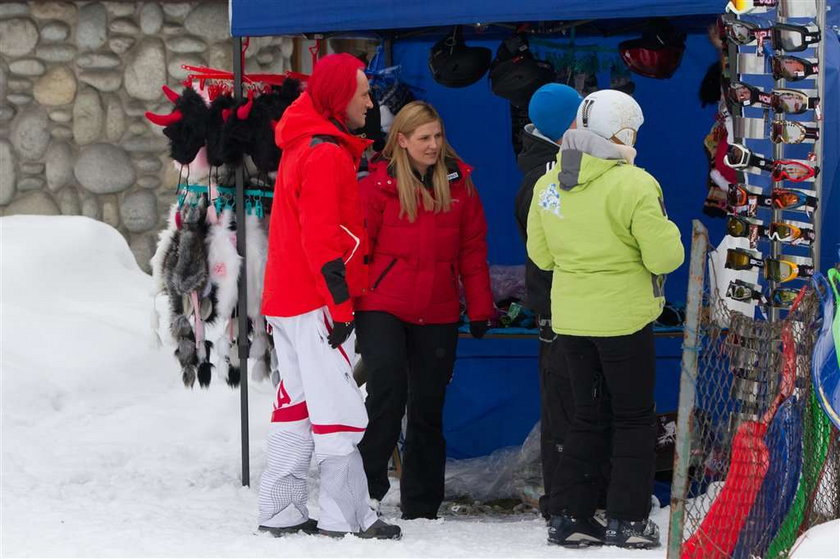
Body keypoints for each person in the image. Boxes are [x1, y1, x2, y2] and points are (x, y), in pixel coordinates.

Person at [527, 89, 684, 549]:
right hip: (623, 320)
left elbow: (541, 254)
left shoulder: (549, 183)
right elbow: (665, 256)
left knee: (586, 416)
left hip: (572, 321)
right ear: (624, 132)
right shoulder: (634, 183)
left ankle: (569, 514)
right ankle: (628, 519)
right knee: (633, 418)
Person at [258, 53, 401, 540]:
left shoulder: (304, 145)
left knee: (294, 405)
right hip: (317, 301)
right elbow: (325, 240)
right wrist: (341, 309)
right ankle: (349, 516)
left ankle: (281, 508)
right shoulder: (326, 153)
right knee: (338, 408)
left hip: (287, 299)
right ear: (340, 97)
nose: (370, 101)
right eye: (363, 92)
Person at [354, 101, 494, 520]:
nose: (434, 145)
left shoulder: (461, 185)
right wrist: (347, 307)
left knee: (428, 408)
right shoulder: (376, 186)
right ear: (402, 141)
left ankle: (421, 505)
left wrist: (481, 306)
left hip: (438, 310)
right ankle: (365, 488)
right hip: (383, 306)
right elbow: (359, 252)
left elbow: (472, 251)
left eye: (437, 136)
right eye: (424, 138)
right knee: (387, 396)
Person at [514, 83, 584, 519]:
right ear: (566, 127)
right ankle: (562, 502)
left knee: (578, 406)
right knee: (565, 411)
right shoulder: (547, 177)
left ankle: (577, 496)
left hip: (573, 305)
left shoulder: (562, 167)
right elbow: (553, 249)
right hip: (560, 309)